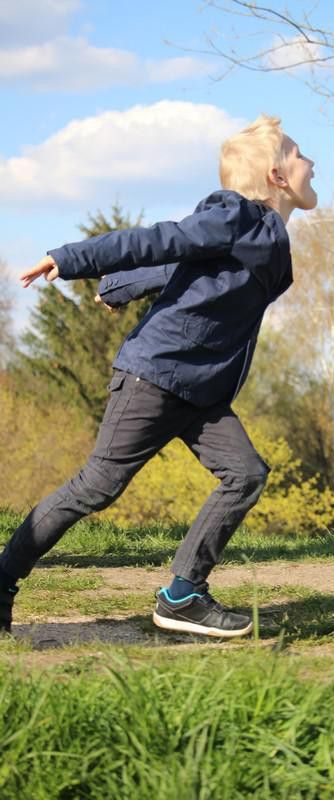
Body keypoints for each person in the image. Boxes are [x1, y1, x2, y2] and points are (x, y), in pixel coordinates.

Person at [0, 114, 317, 638]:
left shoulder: (261, 236)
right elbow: (164, 241)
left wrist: (123, 285)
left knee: (245, 475)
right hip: (156, 376)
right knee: (96, 487)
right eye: (300, 154)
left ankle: (182, 596)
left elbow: (188, 264)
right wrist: (71, 259)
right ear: (277, 177)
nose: (312, 163)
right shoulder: (235, 215)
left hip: (201, 389)